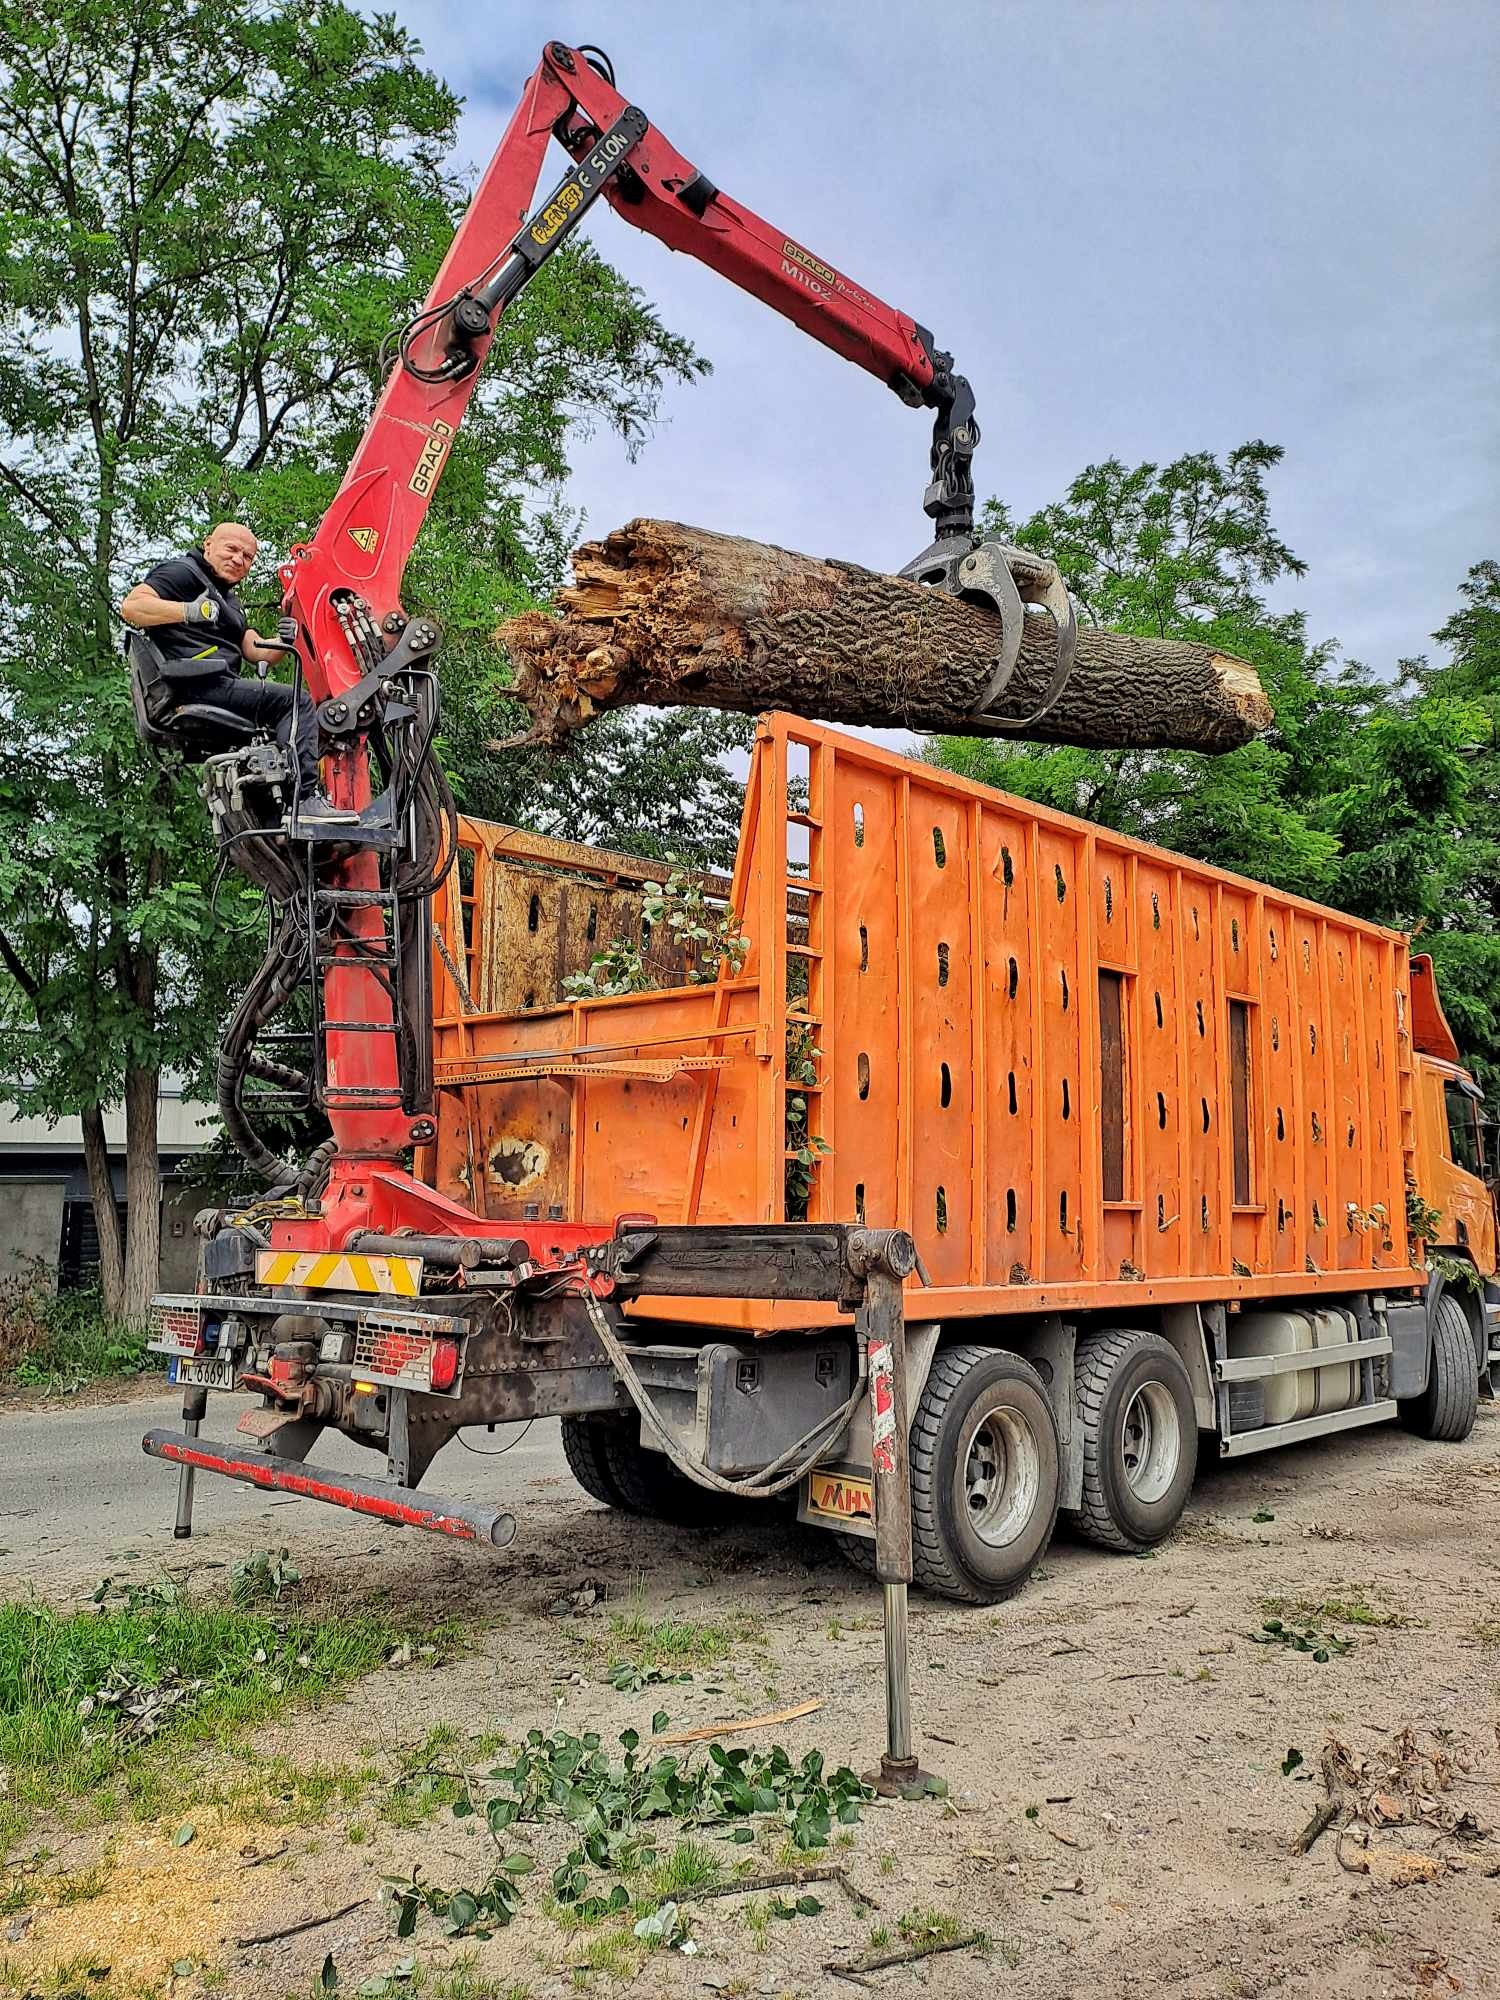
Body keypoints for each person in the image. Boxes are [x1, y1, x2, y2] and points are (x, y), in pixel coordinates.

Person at [121, 522, 355, 826]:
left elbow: (258, 652)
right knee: (295, 703)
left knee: (279, 730)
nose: (238, 559)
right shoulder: (183, 573)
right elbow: (133, 606)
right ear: (208, 545)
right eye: (231, 549)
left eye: (247, 556)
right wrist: (188, 611)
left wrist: (286, 638)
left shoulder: (230, 601)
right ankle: (304, 800)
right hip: (195, 684)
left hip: (215, 685)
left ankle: (276, 819)